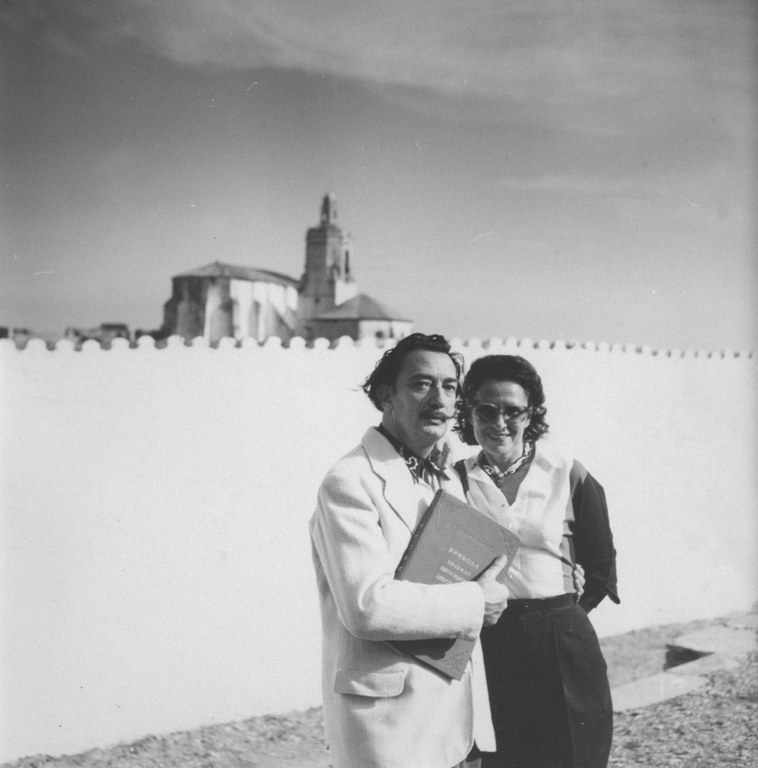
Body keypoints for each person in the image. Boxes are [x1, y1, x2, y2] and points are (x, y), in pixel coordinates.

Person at [309, 333, 511, 768]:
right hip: (392, 727)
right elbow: (367, 607)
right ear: (386, 396)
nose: (439, 399)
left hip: (457, 722)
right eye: (421, 384)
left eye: (449, 387)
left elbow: (497, 539)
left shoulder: (445, 475)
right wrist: (477, 602)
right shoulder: (350, 481)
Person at [454, 354, 619, 768]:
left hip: (562, 640)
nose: (500, 423)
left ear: (530, 415)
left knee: (573, 755)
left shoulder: (566, 472)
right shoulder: (455, 479)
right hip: (489, 641)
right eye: (486, 411)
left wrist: (566, 618)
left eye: (513, 411)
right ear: (470, 413)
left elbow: (601, 563)